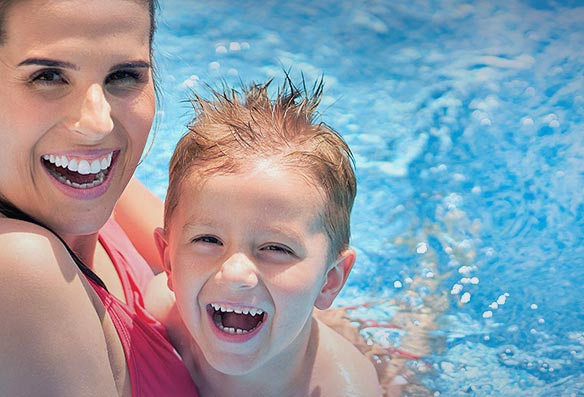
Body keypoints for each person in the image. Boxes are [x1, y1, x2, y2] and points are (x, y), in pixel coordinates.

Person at [0, 1, 198, 395]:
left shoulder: (89, 186)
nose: (97, 123)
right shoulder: (20, 265)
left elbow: (239, 265)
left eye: (123, 75)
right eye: (49, 76)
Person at [149, 76, 384, 396]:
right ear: (169, 261)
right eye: (208, 240)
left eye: (276, 248)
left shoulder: (341, 388)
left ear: (330, 280)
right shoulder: (158, 315)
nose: (234, 274)